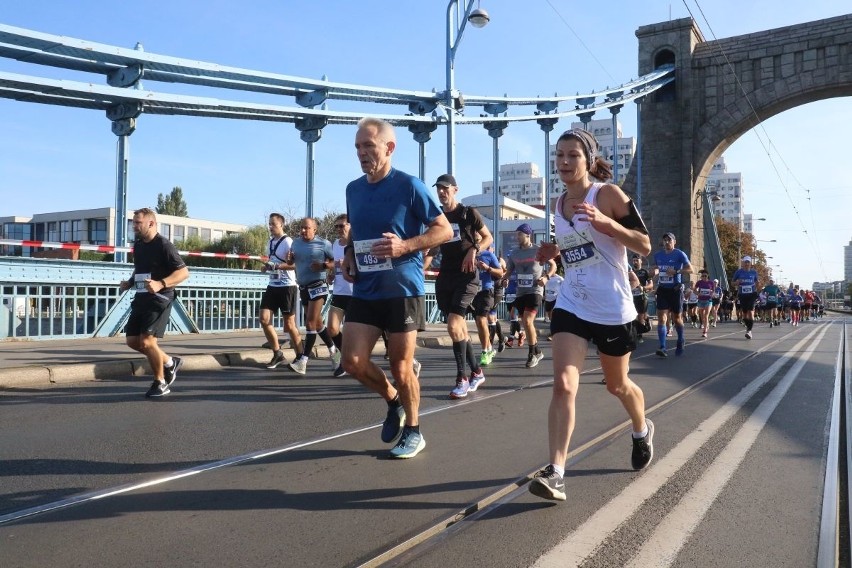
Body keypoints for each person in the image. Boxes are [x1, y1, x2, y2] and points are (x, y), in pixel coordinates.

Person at [529, 128, 654, 501]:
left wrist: (608, 223)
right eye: (560, 156)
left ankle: (641, 428)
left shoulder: (608, 194)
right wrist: (555, 250)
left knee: (618, 386)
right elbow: (579, 250)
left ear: (588, 160)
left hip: (613, 308)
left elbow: (644, 245)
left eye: (573, 156)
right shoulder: (558, 204)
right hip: (573, 302)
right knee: (564, 384)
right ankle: (556, 472)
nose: (565, 163)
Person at [341, 117, 452, 459]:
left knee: (402, 367)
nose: (362, 152)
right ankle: (393, 401)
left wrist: (405, 246)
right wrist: (348, 253)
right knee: (352, 361)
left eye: (369, 145)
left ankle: (415, 431)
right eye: (358, 146)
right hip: (366, 287)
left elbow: (444, 230)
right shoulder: (353, 189)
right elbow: (356, 234)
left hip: (404, 289)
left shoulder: (410, 186)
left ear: (389, 148)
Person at [424, 174, 493, 399]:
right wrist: (421, 268)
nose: (441, 192)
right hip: (446, 276)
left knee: (454, 325)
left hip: (467, 275)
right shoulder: (439, 217)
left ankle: (461, 378)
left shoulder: (468, 213)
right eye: (439, 189)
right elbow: (433, 248)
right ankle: (477, 372)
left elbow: (488, 237)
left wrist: (474, 250)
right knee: (459, 329)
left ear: (455, 190)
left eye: (445, 188)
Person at [119, 208, 190, 398]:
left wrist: (161, 284)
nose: (134, 226)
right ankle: (169, 362)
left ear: (151, 223)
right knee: (133, 341)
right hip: (142, 297)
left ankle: (161, 382)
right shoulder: (139, 245)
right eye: (133, 222)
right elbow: (140, 269)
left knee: (148, 342)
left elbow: (183, 272)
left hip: (160, 299)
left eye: (137, 222)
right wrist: (130, 282)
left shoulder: (164, 245)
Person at [286, 217, 337, 375]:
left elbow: (337, 262)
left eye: (306, 228)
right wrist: (290, 259)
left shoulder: (324, 244)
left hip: (319, 286)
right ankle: (334, 351)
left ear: (315, 230)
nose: (303, 231)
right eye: (301, 227)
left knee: (309, 323)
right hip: (303, 286)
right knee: (318, 324)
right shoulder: (296, 243)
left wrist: (323, 266)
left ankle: (303, 362)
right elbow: (291, 263)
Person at [505, 223, 556, 368]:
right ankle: (538, 351)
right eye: (516, 234)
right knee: (527, 324)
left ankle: (531, 354)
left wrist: (546, 277)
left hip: (535, 290)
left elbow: (553, 266)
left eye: (519, 234)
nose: (517, 237)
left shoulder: (538, 250)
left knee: (527, 321)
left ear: (528, 235)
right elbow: (509, 270)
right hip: (521, 292)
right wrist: (504, 279)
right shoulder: (514, 253)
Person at [260, 213, 303, 370]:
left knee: (289, 324)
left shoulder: (288, 242)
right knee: (264, 319)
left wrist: (277, 267)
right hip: (273, 285)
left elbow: (295, 265)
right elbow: (272, 262)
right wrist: (266, 267)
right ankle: (277, 353)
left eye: (273, 224)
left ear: (281, 225)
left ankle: (300, 356)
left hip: (287, 287)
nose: (270, 226)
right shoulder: (270, 242)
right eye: (269, 224)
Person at [651, 232, 693, 357]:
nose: (667, 242)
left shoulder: (679, 254)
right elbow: (656, 267)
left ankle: (680, 339)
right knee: (662, 318)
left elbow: (690, 269)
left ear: (674, 242)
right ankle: (662, 347)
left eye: (669, 240)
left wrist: (676, 271)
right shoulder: (658, 255)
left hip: (675, 290)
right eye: (665, 240)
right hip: (663, 289)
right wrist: (653, 271)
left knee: (677, 319)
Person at [327, 213, 353, 377]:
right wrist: (331, 275)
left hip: (355, 294)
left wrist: (348, 266)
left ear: (350, 226)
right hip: (338, 292)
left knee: (353, 334)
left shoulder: (356, 245)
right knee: (332, 329)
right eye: (336, 226)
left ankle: (349, 361)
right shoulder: (334, 245)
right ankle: (345, 358)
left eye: (341, 225)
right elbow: (333, 268)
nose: (338, 229)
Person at [472, 243, 505, 368]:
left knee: (482, 320)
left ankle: (485, 351)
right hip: (473, 291)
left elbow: (501, 273)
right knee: (479, 323)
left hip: (487, 290)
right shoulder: (467, 254)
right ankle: (489, 347)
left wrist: (487, 268)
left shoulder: (489, 255)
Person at [731, 256, 759, 339]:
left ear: (750, 263)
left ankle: (749, 331)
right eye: (745, 262)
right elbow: (732, 283)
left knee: (750, 312)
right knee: (744, 314)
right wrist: (736, 283)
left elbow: (757, 282)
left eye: (748, 262)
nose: (746, 263)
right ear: (743, 263)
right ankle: (748, 328)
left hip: (752, 294)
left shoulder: (754, 272)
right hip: (742, 294)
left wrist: (757, 287)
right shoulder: (738, 272)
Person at [630, 254, 653, 342]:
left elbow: (651, 285)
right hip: (631, 297)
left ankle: (639, 335)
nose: (635, 262)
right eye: (634, 260)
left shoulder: (645, 272)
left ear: (641, 261)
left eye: (637, 260)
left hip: (642, 297)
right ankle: (645, 320)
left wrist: (644, 288)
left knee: (640, 316)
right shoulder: (630, 271)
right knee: (632, 316)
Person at [543, 268, 564, 341]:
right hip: (547, 299)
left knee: (553, 317)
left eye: (550, 268)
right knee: (550, 318)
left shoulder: (560, 279)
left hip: (556, 299)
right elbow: (543, 286)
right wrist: (543, 295)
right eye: (548, 268)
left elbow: (564, 288)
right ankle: (557, 331)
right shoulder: (546, 277)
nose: (549, 269)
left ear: (555, 269)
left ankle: (553, 334)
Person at [694, 269, 714, 338]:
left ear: (707, 276)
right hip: (700, 300)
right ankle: (706, 323)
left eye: (705, 276)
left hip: (708, 300)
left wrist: (711, 293)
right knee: (702, 316)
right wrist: (697, 293)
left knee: (706, 315)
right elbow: (694, 290)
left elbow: (713, 291)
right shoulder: (699, 282)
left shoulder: (711, 283)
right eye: (703, 276)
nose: (704, 277)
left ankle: (705, 332)